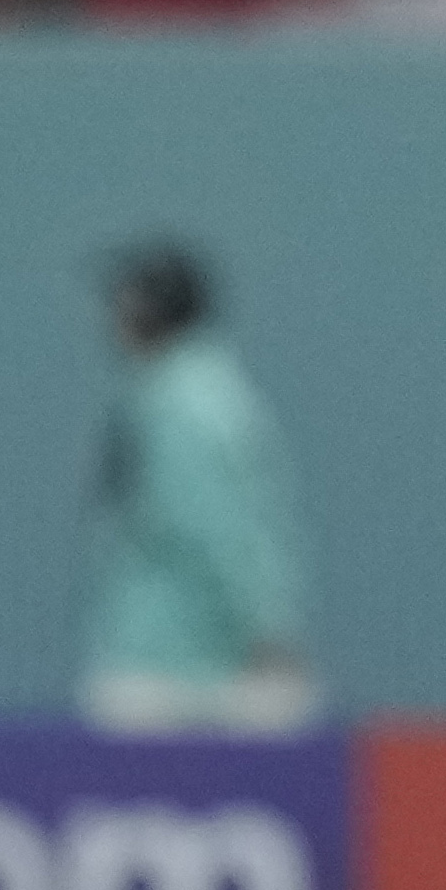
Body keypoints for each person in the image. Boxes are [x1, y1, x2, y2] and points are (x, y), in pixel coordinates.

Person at [79, 243, 315, 733]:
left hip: (186, 669)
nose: (111, 319)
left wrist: (265, 633)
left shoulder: (182, 407)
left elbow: (212, 531)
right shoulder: (194, 392)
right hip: (190, 658)